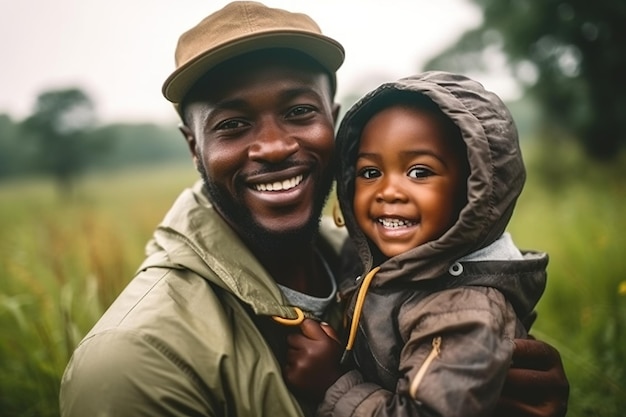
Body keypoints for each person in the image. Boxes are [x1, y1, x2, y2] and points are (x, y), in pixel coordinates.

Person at [59, 2, 568, 417]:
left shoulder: (376, 261)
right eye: (233, 124)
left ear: (336, 122)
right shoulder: (134, 362)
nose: (275, 146)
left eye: (299, 111)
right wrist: (340, 388)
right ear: (194, 147)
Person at [284, 71, 564, 416]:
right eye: (370, 173)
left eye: (419, 172)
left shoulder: (463, 313)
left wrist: (333, 383)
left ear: (474, 189)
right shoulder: (376, 262)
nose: (388, 192)